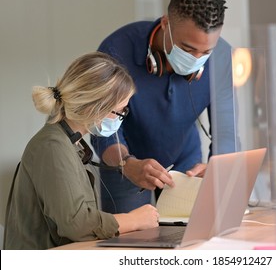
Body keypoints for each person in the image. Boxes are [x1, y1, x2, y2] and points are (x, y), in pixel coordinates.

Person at [91, 0, 236, 214]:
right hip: (124, 161)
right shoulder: (116, 49)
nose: (196, 60)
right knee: (130, 240)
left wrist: (216, 167)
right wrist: (127, 164)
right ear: (166, 23)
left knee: (191, 238)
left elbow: (227, 129)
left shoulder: (223, 56)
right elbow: (103, 129)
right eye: (187, 49)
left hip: (186, 160)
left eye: (206, 52)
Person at [3, 52, 160, 250]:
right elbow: (77, 224)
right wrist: (134, 220)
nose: (122, 118)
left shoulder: (70, 144)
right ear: (95, 106)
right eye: (121, 111)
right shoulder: (52, 146)